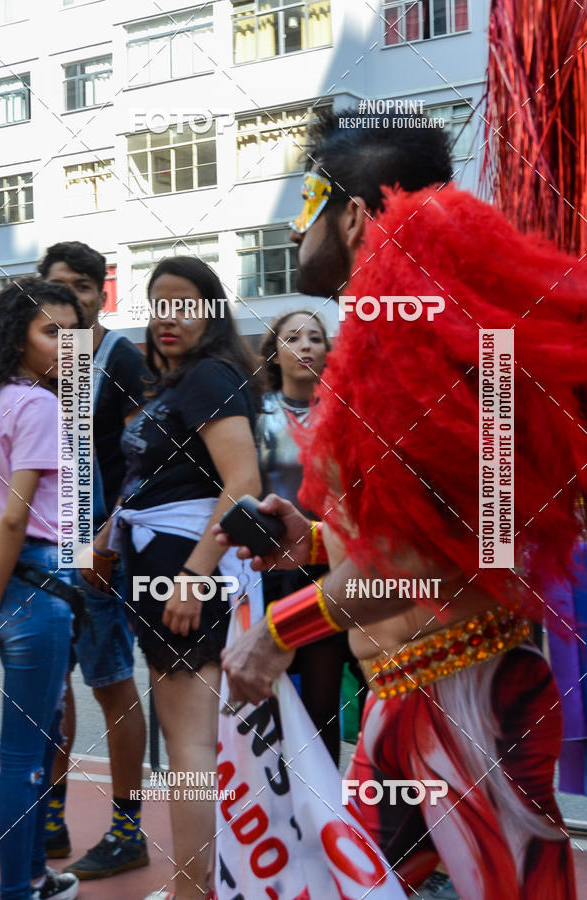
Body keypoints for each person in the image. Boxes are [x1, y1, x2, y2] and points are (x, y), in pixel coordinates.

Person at [215, 109, 587, 899]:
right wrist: (312, 541)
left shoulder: (404, 331)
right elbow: (428, 532)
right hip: (417, 695)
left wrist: (280, 631)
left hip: (466, 698)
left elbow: (418, 564)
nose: (292, 232)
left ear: (351, 215)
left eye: (305, 206)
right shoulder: (421, 331)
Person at [97, 256, 263, 900]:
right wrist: (109, 537)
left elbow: (242, 483)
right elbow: (156, 482)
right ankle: (202, 882)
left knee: (190, 745)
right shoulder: (184, 381)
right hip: (164, 564)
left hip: (185, 571)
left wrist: (191, 579)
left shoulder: (210, 377)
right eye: (159, 303)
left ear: (212, 310)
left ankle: (194, 888)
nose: (169, 315)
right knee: (193, 741)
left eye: (185, 302)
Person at [37, 242, 150, 880]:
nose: (73, 297)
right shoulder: (32, 358)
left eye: (84, 287)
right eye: (60, 286)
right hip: (39, 548)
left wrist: (108, 535)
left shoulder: (120, 356)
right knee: (49, 690)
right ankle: (49, 822)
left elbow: (144, 458)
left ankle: (128, 828)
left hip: (97, 551)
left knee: (111, 685)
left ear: (99, 293)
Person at [0, 277, 82, 899]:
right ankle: (22, 891)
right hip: (32, 586)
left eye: (74, 334)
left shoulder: (1, 400)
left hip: (14, 577)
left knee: (30, 745)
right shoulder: (43, 407)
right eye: (52, 332)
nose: (68, 346)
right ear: (18, 336)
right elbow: (17, 516)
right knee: (26, 756)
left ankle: (36, 878)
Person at [257, 309, 366, 764]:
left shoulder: (346, 414)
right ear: (275, 353)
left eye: (316, 338)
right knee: (267, 700)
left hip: (326, 566)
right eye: (293, 338)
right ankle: (277, 812)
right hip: (267, 567)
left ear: (327, 353)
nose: (305, 346)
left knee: (321, 704)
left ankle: (324, 813)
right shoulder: (253, 414)